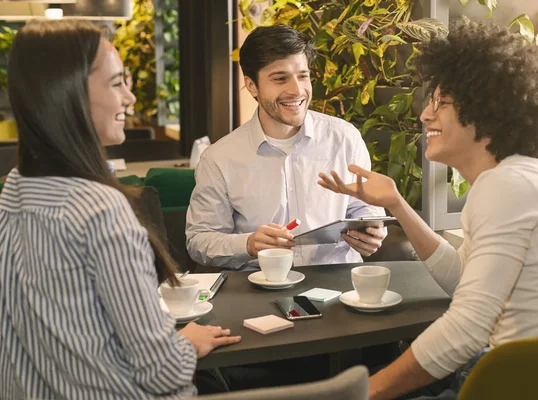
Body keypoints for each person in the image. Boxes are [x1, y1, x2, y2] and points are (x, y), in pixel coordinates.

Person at [318, 21, 538, 400]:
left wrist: (360, 393)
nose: (425, 116)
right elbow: (462, 281)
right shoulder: (522, 176)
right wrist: (397, 204)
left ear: (486, 109)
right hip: (532, 376)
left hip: (527, 383)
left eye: (442, 102)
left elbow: (465, 328)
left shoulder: (509, 186)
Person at [0, 20, 240, 398]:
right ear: (68, 94)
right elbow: (161, 371)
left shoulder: (14, 190)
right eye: (117, 83)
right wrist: (186, 344)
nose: (130, 99)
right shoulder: (99, 209)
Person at [186, 24, 387, 270]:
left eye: (302, 76)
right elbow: (199, 241)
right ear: (252, 86)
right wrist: (247, 244)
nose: (296, 90)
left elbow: (365, 208)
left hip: (338, 282)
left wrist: (371, 229)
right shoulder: (219, 159)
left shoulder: (346, 138)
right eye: (280, 79)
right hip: (260, 288)